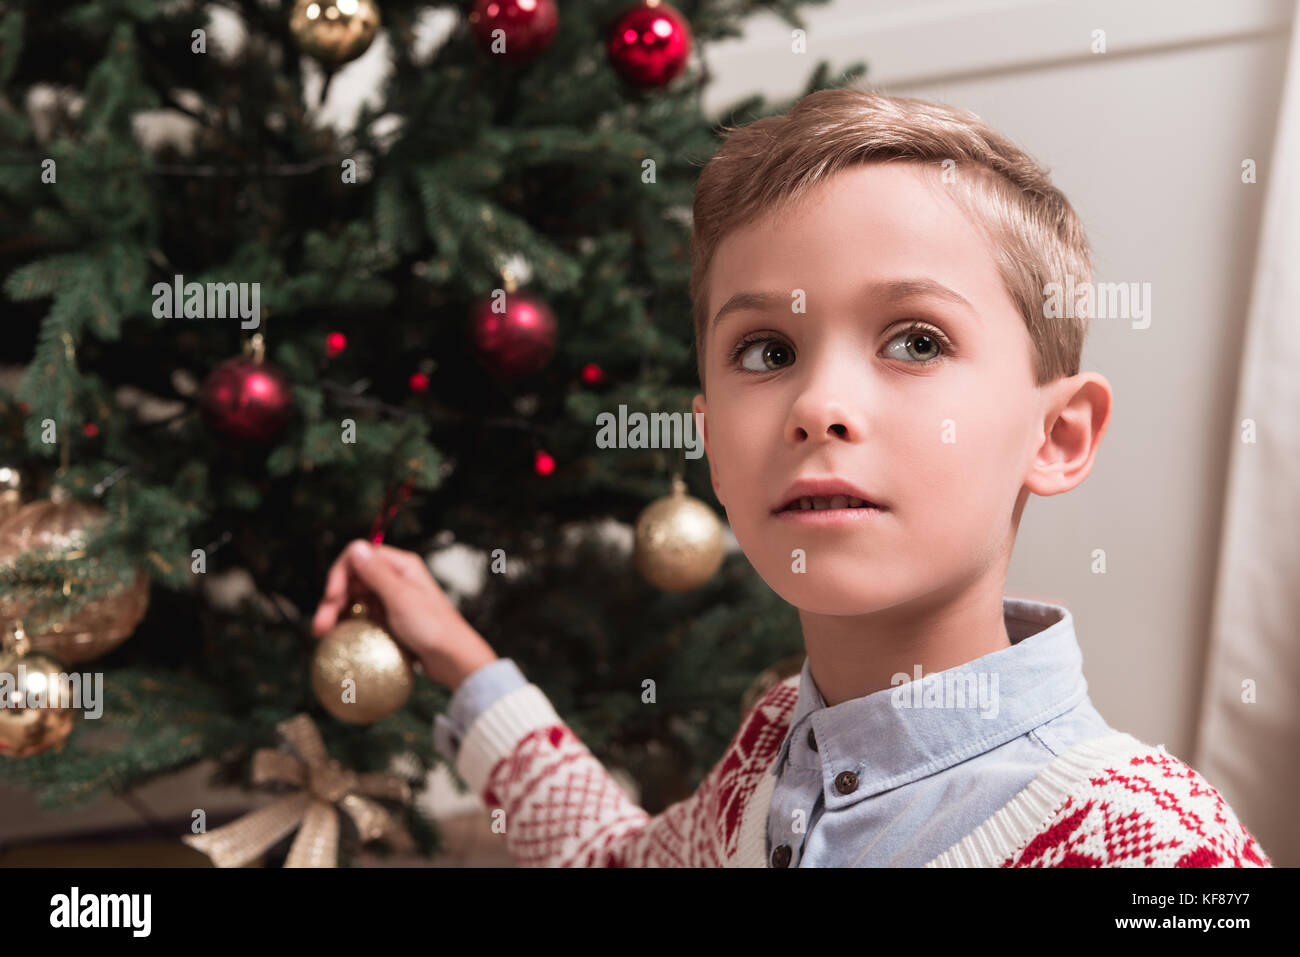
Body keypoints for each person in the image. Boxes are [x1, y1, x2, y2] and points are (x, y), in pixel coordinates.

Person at [312, 88, 1272, 868]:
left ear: (1057, 435)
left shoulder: (1159, 850)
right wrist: (457, 657)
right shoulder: (770, 752)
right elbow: (617, 860)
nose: (818, 403)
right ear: (713, 448)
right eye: (767, 350)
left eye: (914, 339)